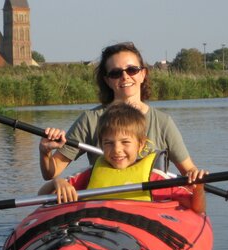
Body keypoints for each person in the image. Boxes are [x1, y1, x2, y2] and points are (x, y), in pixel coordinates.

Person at [39, 42, 203, 184]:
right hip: (104, 207)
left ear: (143, 74)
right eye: (116, 73)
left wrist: (196, 175)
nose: (125, 77)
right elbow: (51, 173)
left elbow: (188, 171)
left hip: (151, 208)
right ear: (107, 80)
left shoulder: (163, 122)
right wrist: (45, 152)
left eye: (132, 70)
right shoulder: (90, 120)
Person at [38, 103, 206, 214]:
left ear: (141, 145)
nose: (117, 150)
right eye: (108, 143)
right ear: (101, 145)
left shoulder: (155, 178)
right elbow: (41, 196)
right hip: (95, 233)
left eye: (125, 142)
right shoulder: (89, 175)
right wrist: (57, 183)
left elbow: (196, 209)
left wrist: (198, 187)